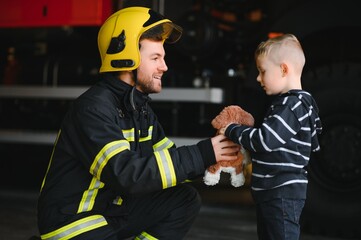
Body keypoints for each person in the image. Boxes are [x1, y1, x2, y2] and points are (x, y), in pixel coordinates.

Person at [37, 6, 240, 240]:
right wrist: (202, 153)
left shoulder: (137, 107)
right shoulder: (93, 108)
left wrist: (216, 156)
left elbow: (167, 162)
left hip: (110, 212)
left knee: (183, 199)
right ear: (126, 59)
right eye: (155, 58)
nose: (164, 66)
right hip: (75, 224)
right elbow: (126, 174)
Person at [220, 34, 322, 240]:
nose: (258, 78)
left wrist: (232, 129)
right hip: (274, 193)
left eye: (262, 71)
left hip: (281, 193)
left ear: (284, 69)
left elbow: (265, 140)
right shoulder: (296, 105)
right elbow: (314, 141)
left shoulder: (292, 105)